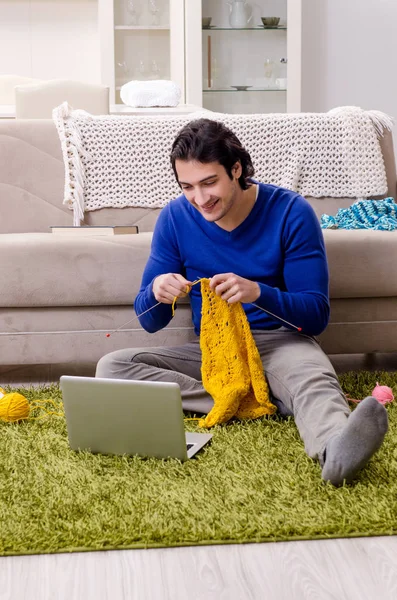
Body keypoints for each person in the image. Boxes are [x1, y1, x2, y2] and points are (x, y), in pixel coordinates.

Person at [96, 118, 388, 486]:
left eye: (209, 183)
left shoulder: (291, 212)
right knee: (114, 367)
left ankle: (335, 450)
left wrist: (258, 293)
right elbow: (148, 321)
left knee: (313, 380)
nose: (200, 199)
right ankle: (256, 397)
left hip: (280, 343)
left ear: (236, 169)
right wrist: (157, 291)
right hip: (215, 352)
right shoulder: (174, 217)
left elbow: (315, 317)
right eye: (187, 187)